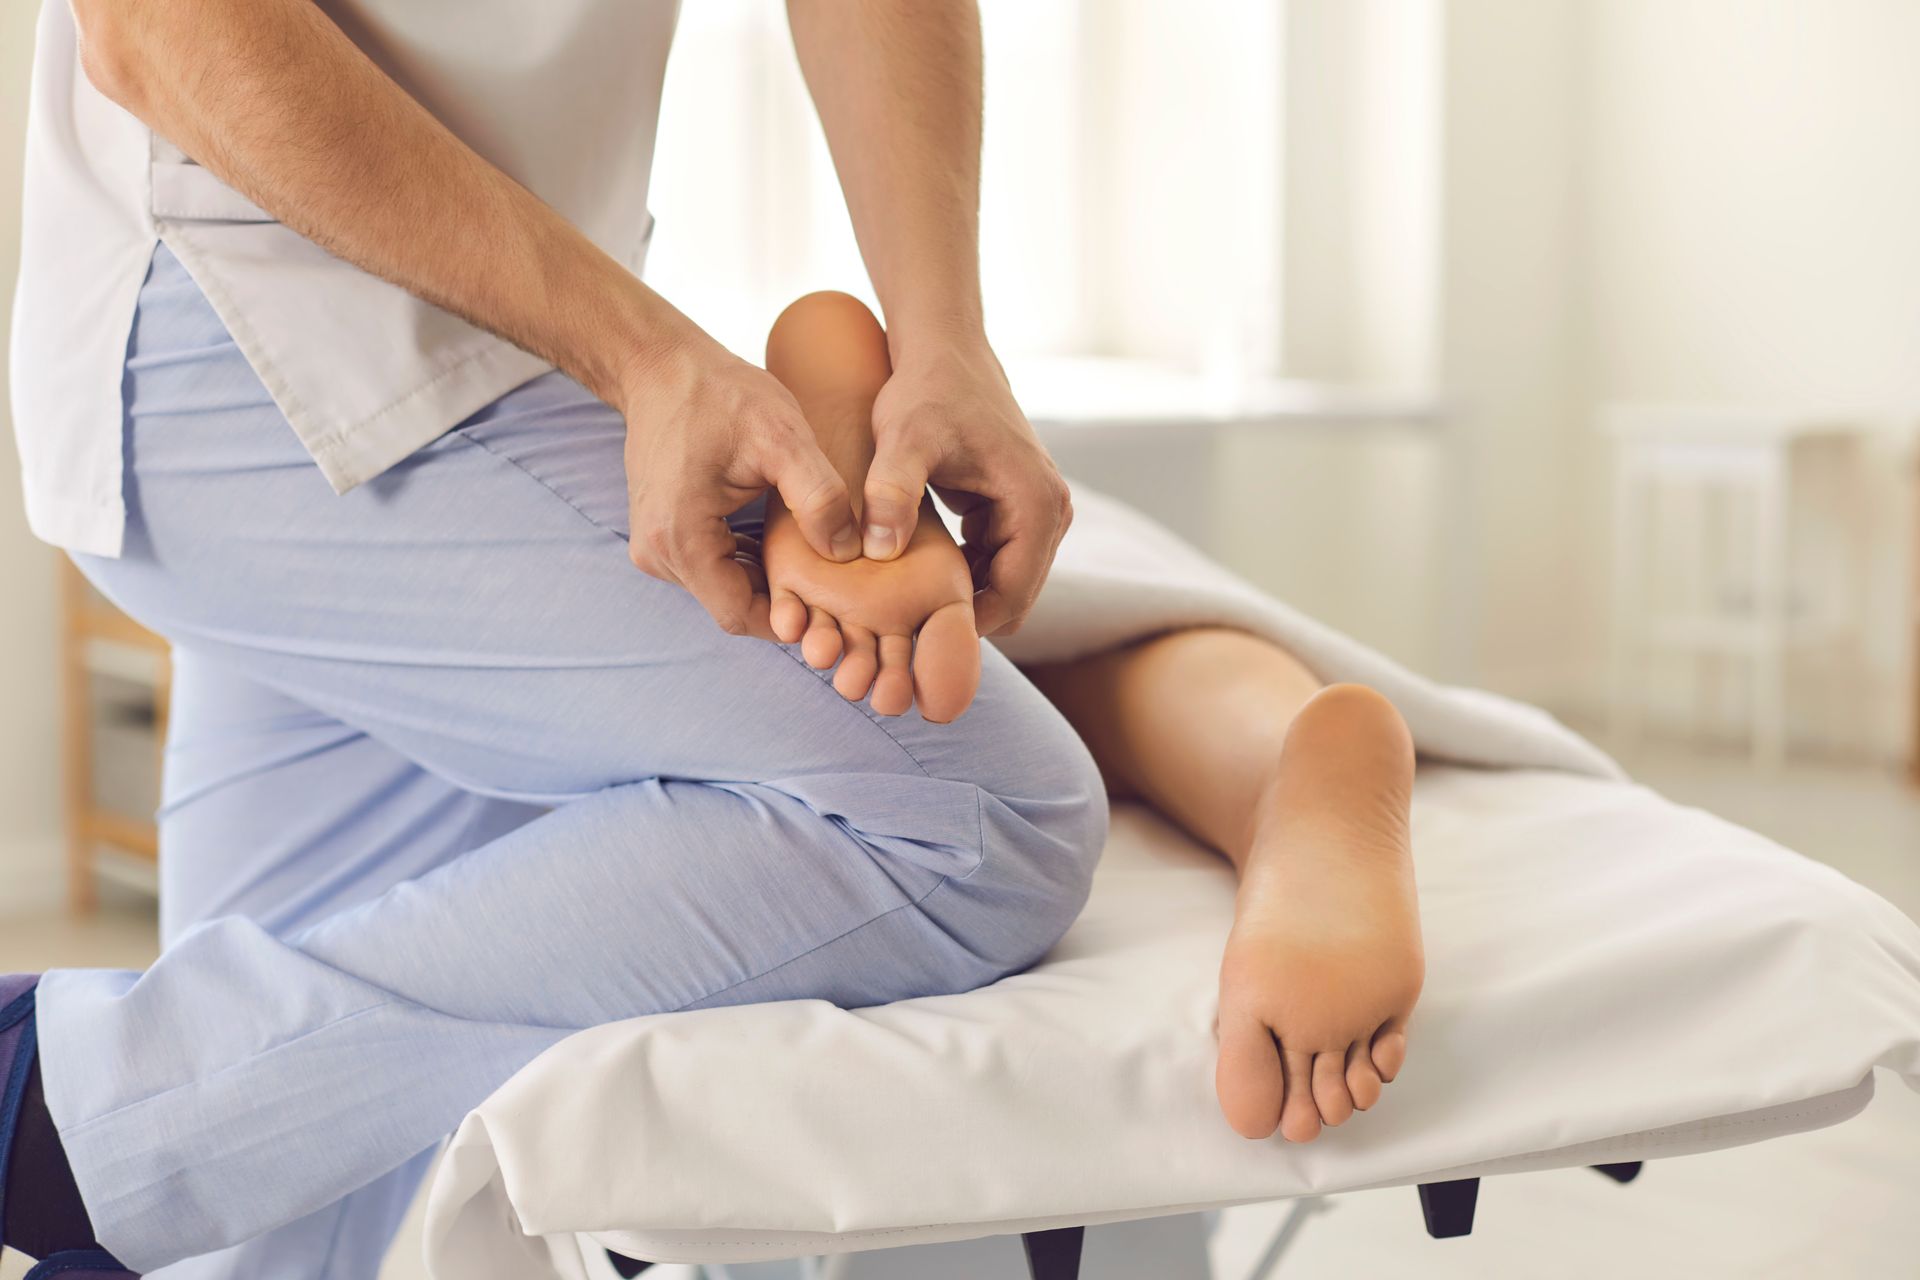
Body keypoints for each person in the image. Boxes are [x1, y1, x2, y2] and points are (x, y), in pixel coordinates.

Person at [2, 5, 1419, 1278]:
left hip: (505, 339)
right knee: (975, 816)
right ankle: (58, 1100)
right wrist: (653, 358)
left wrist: (946, 338)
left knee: (283, 1203)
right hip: (272, 327)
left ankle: (877, 449)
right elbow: (162, 25)